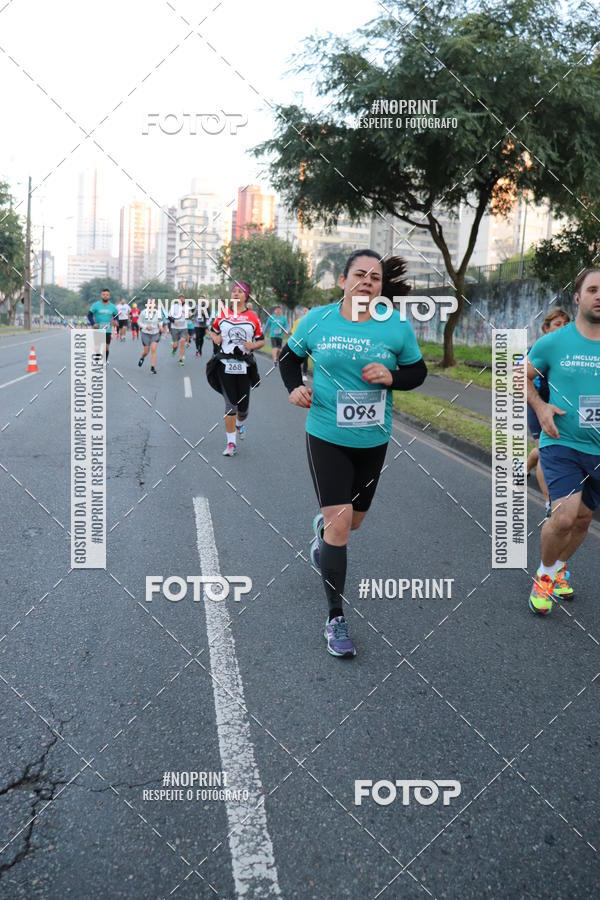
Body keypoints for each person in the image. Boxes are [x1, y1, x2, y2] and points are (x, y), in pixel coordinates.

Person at [279, 250, 427, 657]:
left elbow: (418, 372)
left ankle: (323, 537)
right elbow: (289, 357)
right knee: (341, 524)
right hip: (326, 433)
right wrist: (295, 387)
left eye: (375, 278)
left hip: (372, 440)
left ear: (381, 287)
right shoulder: (317, 319)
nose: (367, 282)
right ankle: (335, 618)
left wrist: (392, 376)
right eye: (360, 275)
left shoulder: (395, 325)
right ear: (343, 280)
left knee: (353, 522)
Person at [527, 268, 600, 615]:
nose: (599, 296)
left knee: (584, 519)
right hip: (562, 442)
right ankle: (544, 577)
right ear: (577, 297)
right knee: (566, 516)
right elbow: (522, 376)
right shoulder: (554, 342)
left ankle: (557, 568)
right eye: (593, 289)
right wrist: (540, 407)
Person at [209, 280, 264, 455]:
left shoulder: (253, 317)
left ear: (246, 296)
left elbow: (261, 340)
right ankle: (231, 444)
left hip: (244, 366)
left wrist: (252, 345)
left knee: (243, 409)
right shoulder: (223, 314)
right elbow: (213, 330)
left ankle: (240, 424)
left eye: (240, 291)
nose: (235, 294)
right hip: (224, 364)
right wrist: (215, 338)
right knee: (230, 405)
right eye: (234, 291)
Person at [526, 307, 570, 516]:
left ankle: (523, 468)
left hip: (561, 410)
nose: (562, 328)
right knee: (546, 454)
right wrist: (539, 405)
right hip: (538, 408)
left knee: (551, 447)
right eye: (557, 324)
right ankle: (549, 503)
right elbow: (520, 378)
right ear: (546, 328)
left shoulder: (572, 351)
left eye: (566, 324)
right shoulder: (539, 349)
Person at [87, 288, 119, 363]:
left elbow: (116, 316)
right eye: (103, 294)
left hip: (107, 330)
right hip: (98, 329)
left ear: (109, 296)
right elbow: (89, 315)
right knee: (97, 347)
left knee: (106, 347)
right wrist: (93, 323)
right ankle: (97, 360)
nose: (105, 296)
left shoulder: (113, 307)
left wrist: (116, 321)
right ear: (101, 295)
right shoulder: (96, 305)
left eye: (107, 295)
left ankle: (104, 362)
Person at [138, 302, 167, 373]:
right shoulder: (143, 313)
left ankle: (152, 367)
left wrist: (160, 326)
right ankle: (142, 357)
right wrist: (145, 327)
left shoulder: (158, 313)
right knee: (146, 351)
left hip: (155, 333)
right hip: (145, 333)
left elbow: (160, 322)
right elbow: (139, 322)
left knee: (153, 349)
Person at [169, 294, 189, 366]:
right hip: (175, 328)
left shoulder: (187, 307)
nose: (181, 299)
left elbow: (189, 316)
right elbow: (169, 316)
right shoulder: (174, 306)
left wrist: (190, 315)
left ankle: (180, 359)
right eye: (180, 298)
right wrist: (174, 320)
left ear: (184, 299)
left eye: (182, 298)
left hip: (184, 327)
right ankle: (174, 350)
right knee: (175, 345)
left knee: (183, 341)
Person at [292, 307, 310, 382]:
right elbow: (293, 331)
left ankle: (304, 374)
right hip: (299, 342)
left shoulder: (312, 321)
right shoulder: (298, 321)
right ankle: (297, 373)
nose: (305, 312)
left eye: (306, 311)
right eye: (304, 311)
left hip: (307, 343)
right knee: (298, 358)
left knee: (305, 359)